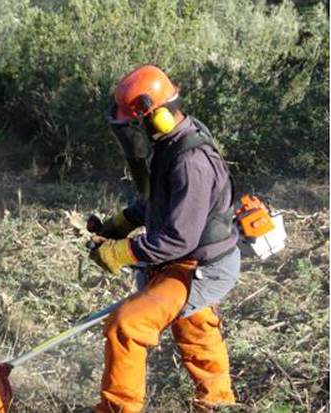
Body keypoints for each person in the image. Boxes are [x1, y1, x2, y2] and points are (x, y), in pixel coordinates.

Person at [89, 65, 240, 412]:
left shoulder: (190, 161)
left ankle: (118, 409)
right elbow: (158, 202)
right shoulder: (170, 144)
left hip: (200, 264)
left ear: (156, 118)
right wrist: (119, 224)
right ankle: (218, 404)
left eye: (134, 124)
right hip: (182, 258)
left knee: (127, 325)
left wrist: (118, 253)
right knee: (194, 326)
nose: (132, 132)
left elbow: (176, 239)